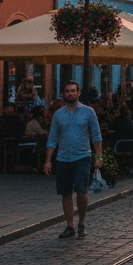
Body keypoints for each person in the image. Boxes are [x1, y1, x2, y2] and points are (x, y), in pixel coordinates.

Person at [43, 80, 103, 239]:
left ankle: (81, 223)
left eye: (72, 91)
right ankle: (70, 226)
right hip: (63, 158)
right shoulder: (58, 115)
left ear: (78, 93)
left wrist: (99, 156)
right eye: (67, 91)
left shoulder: (89, 112)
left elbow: (96, 136)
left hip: (82, 156)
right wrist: (48, 160)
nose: (70, 93)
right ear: (64, 93)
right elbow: (52, 139)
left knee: (82, 192)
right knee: (65, 193)